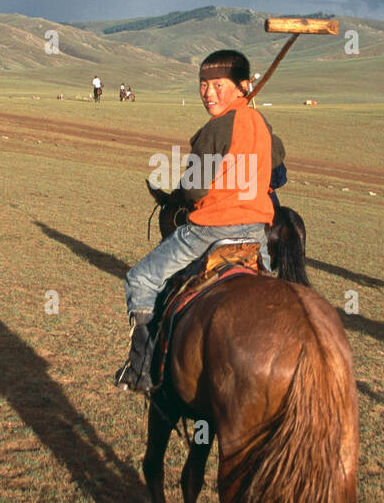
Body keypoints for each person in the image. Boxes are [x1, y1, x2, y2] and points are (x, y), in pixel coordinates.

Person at [115, 49, 285, 392]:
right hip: (256, 235)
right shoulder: (262, 125)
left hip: (210, 230)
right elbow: (278, 160)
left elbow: (193, 191)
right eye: (203, 84)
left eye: (218, 85)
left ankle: (141, 368)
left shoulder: (215, 128)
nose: (208, 92)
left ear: (242, 86)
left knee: (142, 279)